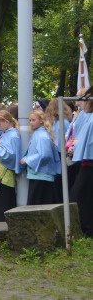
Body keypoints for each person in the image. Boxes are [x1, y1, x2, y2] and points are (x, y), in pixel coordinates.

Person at [21, 109, 61, 205]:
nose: (31, 122)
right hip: (40, 174)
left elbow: (45, 155)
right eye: (30, 120)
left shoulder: (42, 136)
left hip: (41, 175)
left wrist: (27, 160)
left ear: (41, 120)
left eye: (33, 120)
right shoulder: (39, 133)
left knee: (36, 204)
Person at [69, 86, 93, 236]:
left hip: (89, 164)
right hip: (87, 163)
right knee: (80, 197)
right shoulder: (87, 116)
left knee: (80, 196)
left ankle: (87, 229)